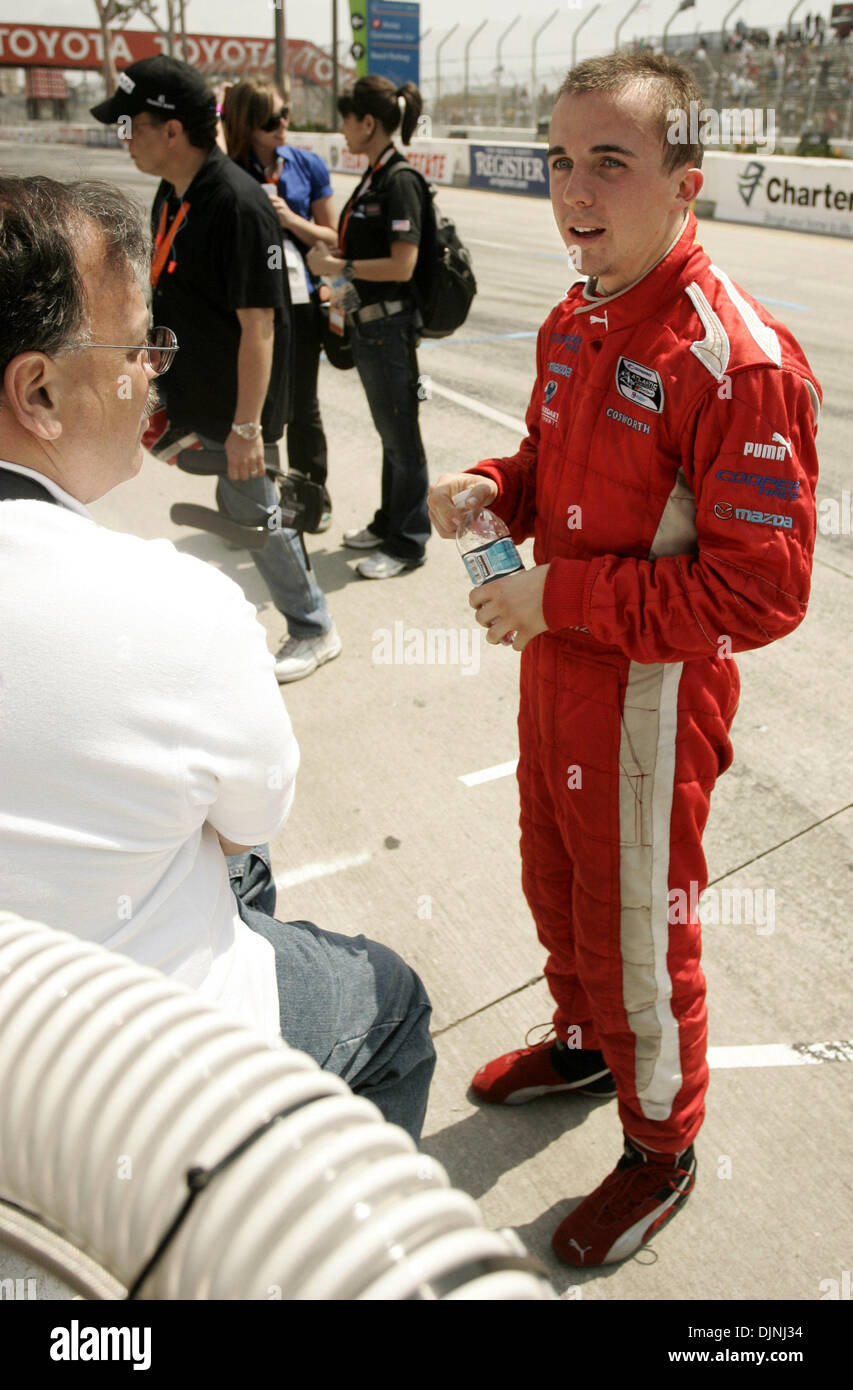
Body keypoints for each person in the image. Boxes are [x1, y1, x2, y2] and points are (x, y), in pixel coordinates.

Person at [428, 53, 821, 1264]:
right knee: (557, 879)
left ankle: (660, 1145)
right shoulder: (578, 312)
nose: (574, 186)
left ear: (684, 184)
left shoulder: (737, 359)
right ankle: (589, 1040)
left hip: (648, 700)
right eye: (559, 158)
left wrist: (563, 598)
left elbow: (764, 590)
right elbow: (552, 469)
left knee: (640, 925)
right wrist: (493, 485)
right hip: (560, 669)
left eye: (611, 160)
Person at [0, 175, 435, 1144]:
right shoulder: (175, 604)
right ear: (37, 391)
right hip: (119, 1094)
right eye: (136, 345)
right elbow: (251, 819)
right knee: (388, 999)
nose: (155, 370)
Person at [91, 56, 341, 684]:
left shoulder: (236, 203)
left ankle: (313, 626)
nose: (124, 139)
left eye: (130, 125)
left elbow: (260, 326)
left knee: (257, 508)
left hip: (238, 406)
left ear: (171, 130)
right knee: (240, 502)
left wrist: (248, 429)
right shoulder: (174, 192)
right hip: (196, 390)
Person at [306, 75, 430, 580]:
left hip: (389, 328)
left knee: (402, 438)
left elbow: (402, 265)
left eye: (347, 119)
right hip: (369, 326)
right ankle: (387, 523)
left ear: (369, 122)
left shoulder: (398, 180)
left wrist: (342, 270)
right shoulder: (375, 176)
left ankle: (408, 542)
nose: (341, 129)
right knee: (390, 434)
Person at [221, 79, 337, 533]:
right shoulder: (229, 168)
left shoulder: (306, 164)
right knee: (253, 406)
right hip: (249, 306)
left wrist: (289, 219)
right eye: (271, 120)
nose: (283, 125)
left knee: (304, 405)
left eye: (285, 114)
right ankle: (250, 508)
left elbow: (332, 236)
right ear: (247, 124)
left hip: (302, 304)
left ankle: (309, 502)